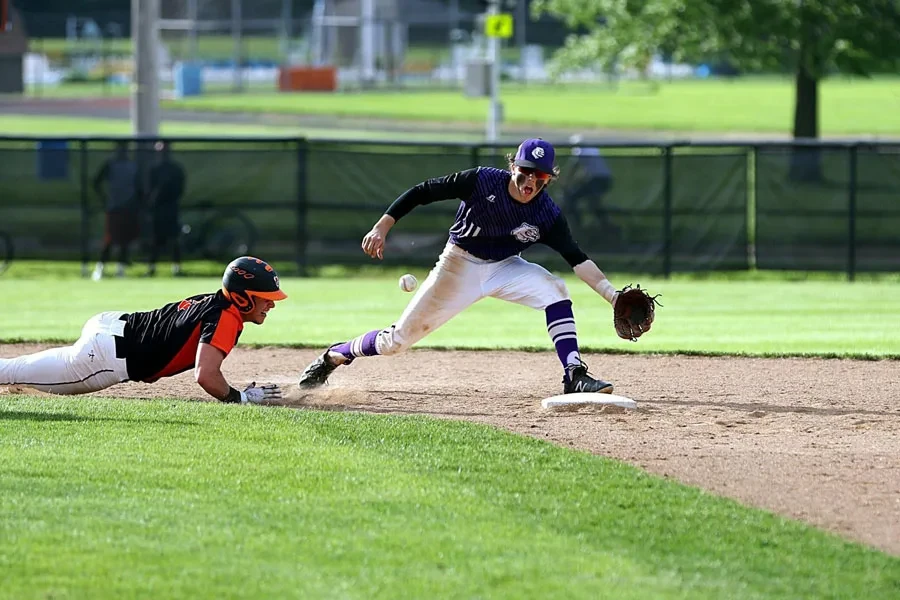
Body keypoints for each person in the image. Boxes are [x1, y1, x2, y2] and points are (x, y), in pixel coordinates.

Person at [298, 138, 625, 395]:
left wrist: (613, 296)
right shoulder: (482, 181)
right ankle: (336, 355)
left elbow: (578, 259)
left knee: (556, 290)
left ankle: (574, 374)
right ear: (513, 166)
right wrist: (382, 226)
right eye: (524, 170)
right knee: (395, 342)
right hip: (458, 265)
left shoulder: (547, 214)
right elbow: (423, 191)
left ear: (548, 179)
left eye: (539, 176)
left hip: (505, 267)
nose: (529, 180)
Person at [0, 256, 287, 405]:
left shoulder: (213, 302)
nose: (271, 306)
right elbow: (206, 376)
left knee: (16, 368)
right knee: (11, 374)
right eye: (266, 299)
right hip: (105, 357)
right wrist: (242, 398)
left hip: (111, 327)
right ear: (242, 296)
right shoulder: (227, 316)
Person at [91, 141, 141, 281]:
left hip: (129, 208)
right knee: (109, 239)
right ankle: (100, 268)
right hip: (114, 208)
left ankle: (121, 269)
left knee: (125, 240)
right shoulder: (110, 165)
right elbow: (96, 182)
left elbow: (138, 187)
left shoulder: (133, 166)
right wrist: (104, 199)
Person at [564, 134, 621, 242]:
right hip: (604, 180)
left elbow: (573, 169)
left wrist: (566, 184)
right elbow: (587, 171)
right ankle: (605, 226)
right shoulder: (592, 150)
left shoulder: (580, 151)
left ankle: (579, 227)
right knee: (593, 204)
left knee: (572, 199)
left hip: (597, 180)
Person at [146, 141, 187, 277]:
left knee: (174, 239)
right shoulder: (154, 170)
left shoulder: (175, 169)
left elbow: (180, 189)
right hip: (158, 210)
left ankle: (177, 268)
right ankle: (151, 268)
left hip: (171, 209)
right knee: (155, 239)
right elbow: (150, 190)